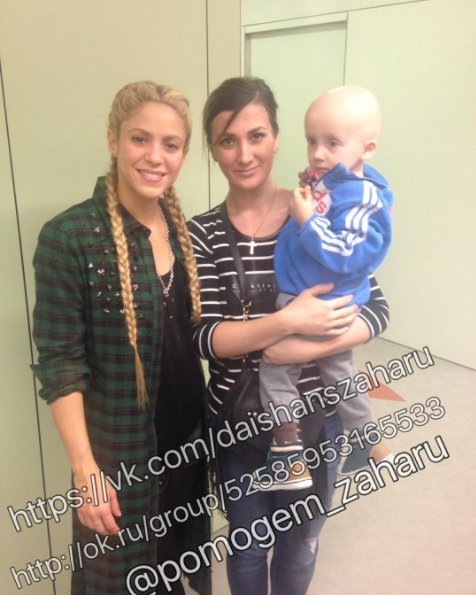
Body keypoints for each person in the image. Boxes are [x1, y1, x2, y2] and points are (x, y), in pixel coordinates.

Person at [188, 77, 390, 595]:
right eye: (227, 140)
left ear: (276, 137)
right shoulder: (201, 233)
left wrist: (301, 345)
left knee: (300, 545)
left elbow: (376, 308)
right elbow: (205, 338)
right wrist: (285, 323)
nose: (244, 154)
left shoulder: (317, 207)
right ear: (212, 149)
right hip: (238, 423)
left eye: (256, 135)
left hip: (319, 420)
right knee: (247, 546)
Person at [32, 81, 211, 595]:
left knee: (174, 570)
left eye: (170, 144)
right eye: (140, 139)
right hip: (122, 457)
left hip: (187, 444)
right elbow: (61, 364)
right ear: (113, 140)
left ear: (183, 153)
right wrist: (85, 470)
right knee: (120, 580)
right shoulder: (70, 237)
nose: (155, 156)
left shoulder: (180, 229)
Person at [259, 86, 394, 486]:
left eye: (332, 143)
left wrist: (306, 219)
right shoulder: (334, 181)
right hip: (315, 290)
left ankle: (288, 454)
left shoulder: (361, 197)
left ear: (368, 149)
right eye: (311, 140)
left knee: (276, 369)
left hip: (319, 297)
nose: (317, 153)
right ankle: (368, 440)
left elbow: (346, 253)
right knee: (339, 369)